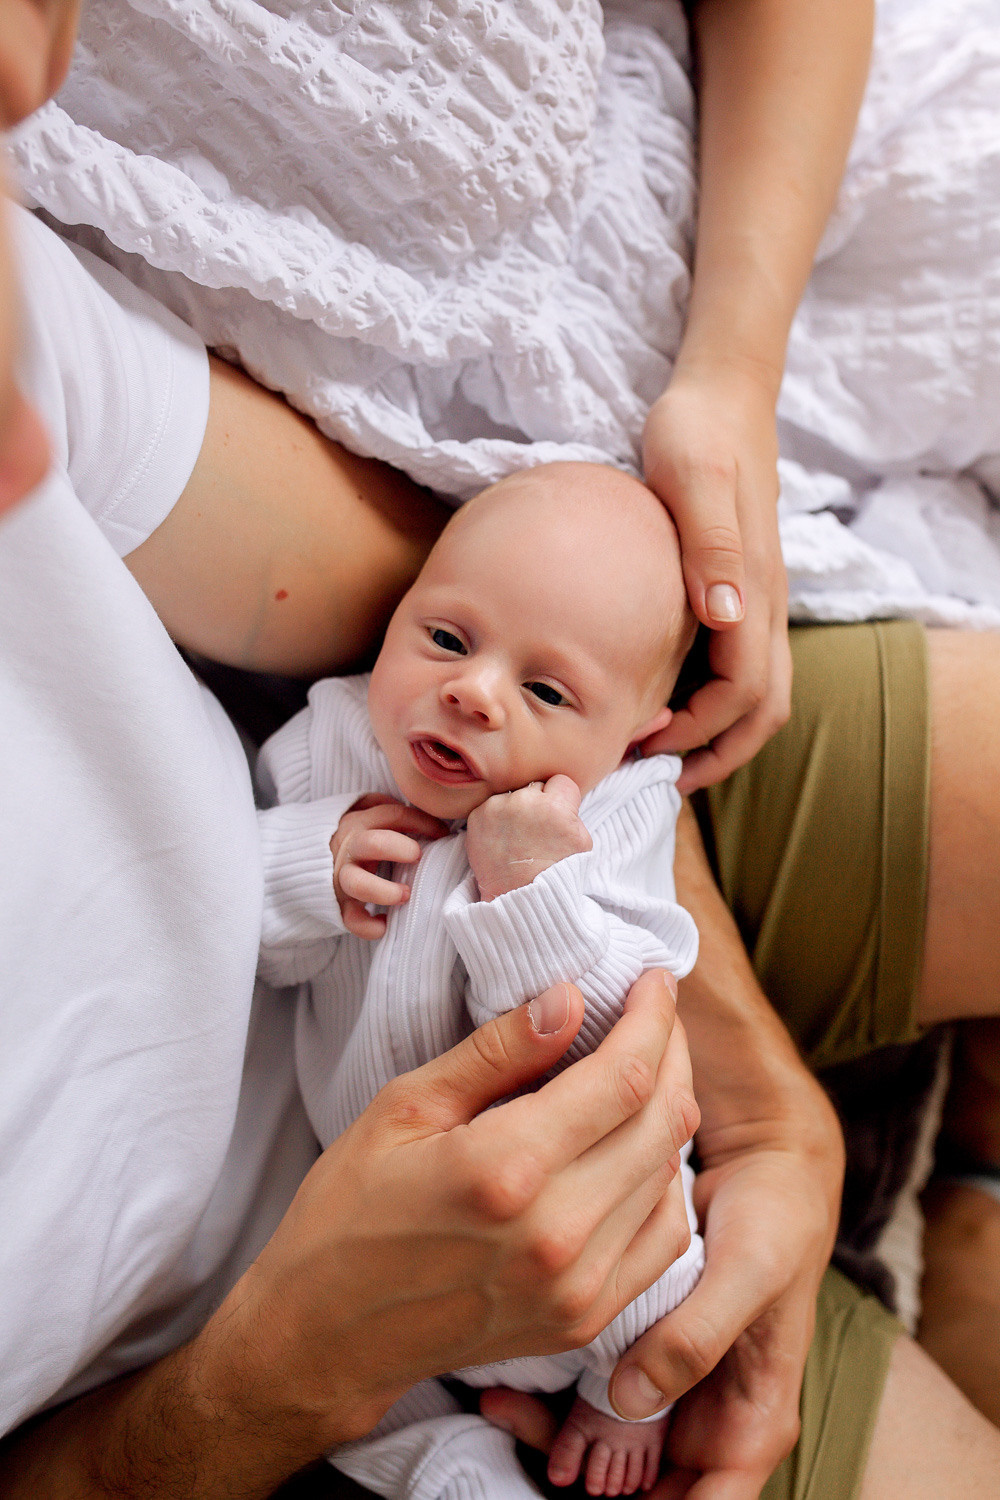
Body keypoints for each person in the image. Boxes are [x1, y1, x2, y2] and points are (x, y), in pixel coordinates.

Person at [4, 6, 1000, 1500]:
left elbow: (385, 604)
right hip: (276, 1336)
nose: (43, 78)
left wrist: (751, 1091)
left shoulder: (28, 322)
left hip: (631, 930)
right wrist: (281, 1370)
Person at [257, 464, 704, 1498]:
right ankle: (455, 1468)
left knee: (666, 1261)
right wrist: (311, 866)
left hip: (585, 1218)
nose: (473, 692)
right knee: (336, 1386)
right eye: (447, 638)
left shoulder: (622, 812)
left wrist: (530, 895)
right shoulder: (331, 742)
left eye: (546, 692)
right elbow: (259, 955)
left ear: (635, 735)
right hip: (370, 1225)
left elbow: (617, 1037)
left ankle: (624, 1398)